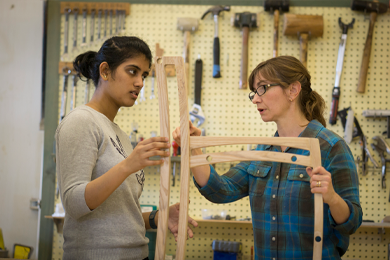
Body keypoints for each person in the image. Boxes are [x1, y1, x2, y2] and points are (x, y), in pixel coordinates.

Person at [172, 56, 362, 259]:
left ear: (293, 90)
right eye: (254, 92)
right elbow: (220, 190)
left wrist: (332, 197)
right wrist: (194, 148)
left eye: (262, 88)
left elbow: (352, 222)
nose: (255, 98)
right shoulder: (262, 151)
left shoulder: (331, 146)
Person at [55, 36, 198, 260]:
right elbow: (74, 204)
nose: (140, 82)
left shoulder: (119, 134)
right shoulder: (81, 121)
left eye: (144, 75)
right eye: (132, 71)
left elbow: (117, 216)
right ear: (105, 71)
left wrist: (158, 217)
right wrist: (128, 165)